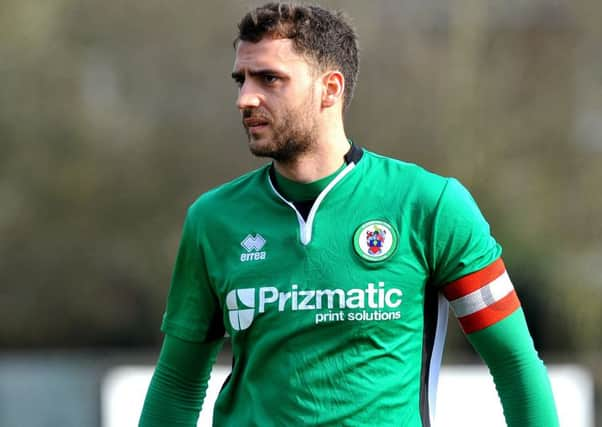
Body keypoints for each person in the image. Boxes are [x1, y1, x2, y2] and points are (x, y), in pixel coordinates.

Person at [139, 3, 559, 426]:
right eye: (241, 79)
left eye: (270, 79)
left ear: (331, 89)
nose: (245, 98)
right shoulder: (213, 219)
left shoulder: (429, 205)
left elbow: (516, 366)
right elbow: (177, 382)